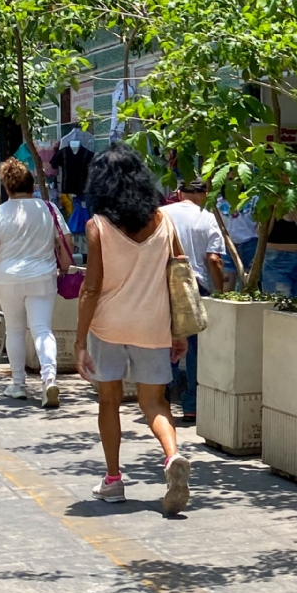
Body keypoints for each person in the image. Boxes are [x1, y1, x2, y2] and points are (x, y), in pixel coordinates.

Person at [75, 143, 192, 515]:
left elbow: (91, 287)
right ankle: (172, 456)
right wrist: (179, 331)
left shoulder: (98, 227)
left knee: (109, 401)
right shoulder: (165, 221)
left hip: (108, 326)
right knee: (155, 402)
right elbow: (179, 277)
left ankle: (113, 480)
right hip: (153, 325)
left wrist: (79, 342)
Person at [0, 158, 73, 408]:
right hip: (43, 276)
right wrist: (64, 268)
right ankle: (49, 380)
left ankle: (19, 384)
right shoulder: (48, 208)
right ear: (32, 185)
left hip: (8, 278)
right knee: (42, 329)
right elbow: (67, 241)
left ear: (7, 188)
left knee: (15, 330)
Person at [162, 179, 227, 421]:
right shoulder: (208, 217)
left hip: (162, 283)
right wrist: (219, 292)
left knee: (164, 341)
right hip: (195, 285)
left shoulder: (161, 214)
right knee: (194, 348)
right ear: (205, 194)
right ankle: (191, 404)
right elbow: (214, 259)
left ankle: (161, 398)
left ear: (179, 193)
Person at [217, 192, 260, 288]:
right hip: (227, 244)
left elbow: (260, 222)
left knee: (249, 284)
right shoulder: (217, 200)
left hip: (251, 243)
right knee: (227, 282)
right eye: (230, 179)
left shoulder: (254, 198)